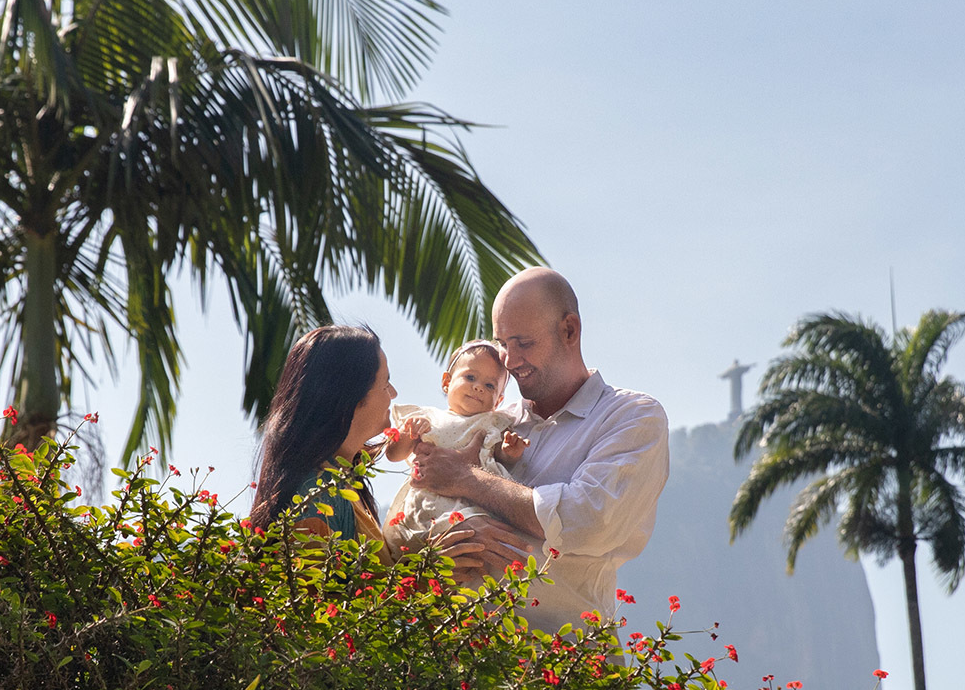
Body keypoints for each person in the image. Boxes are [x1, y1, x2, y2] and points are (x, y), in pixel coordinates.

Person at [410, 268, 670, 635]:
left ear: (569, 331)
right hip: (453, 664)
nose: (509, 360)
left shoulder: (631, 417)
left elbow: (588, 519)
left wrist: (467, 479)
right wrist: (439, 549)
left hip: (560, 672)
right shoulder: (490, 420)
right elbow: (420, 504)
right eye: (503, 343)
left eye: (524, 343)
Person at [249, 325, 504, 571]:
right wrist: (424, 574)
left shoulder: (344, 484)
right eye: (385, 384)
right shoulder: (317, 498)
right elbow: (316, 608)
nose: (393, 394)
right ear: (350, 396)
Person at [382, 340, 529, 553]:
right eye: (470, 377)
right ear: (446, 382)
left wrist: (509, 452)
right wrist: (408, 433)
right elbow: (393, 455)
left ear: (498, 400)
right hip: (429, 501)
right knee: (420, 552)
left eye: (490, 386)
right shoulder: (427, 417)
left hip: (475, 504)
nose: (478, 387)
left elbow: (498, 457)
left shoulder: (493, 424)